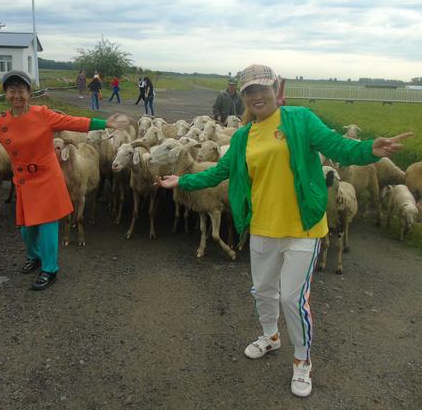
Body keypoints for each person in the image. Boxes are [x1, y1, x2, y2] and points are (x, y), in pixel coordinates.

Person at [156, 63, 412, 398]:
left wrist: (369, 150)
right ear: (245, 98)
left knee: (293, 299)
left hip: (302, 229)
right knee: (262, 290)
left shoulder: (300, 120)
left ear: (276, 89)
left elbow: (337, 146)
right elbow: (220, 171)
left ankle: (302, 361)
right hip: (263, 227)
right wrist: (184, 180)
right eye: (249, 91)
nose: (256, 95)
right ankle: (270, 337)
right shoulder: (244, 136)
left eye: (262, 88)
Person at [0, 70, 130, 291]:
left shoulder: (42, 114)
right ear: (6, 94)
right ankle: (35, 256)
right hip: (24, 181)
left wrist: (104, 123)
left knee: (48, 227)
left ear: (29, 93)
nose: (17, 95)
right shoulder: (2, 122)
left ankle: (50, 269)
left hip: (47, 178)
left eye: (21, 90)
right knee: (26, 229)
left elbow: (73, 121)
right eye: (12, 91)